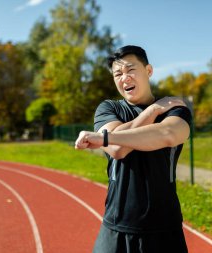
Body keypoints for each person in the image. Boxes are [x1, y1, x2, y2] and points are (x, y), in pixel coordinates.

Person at [75, 45, 191, 253]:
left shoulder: (173, 107)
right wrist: (152, 112)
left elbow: (168, 134)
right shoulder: (109, 108)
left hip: (164, 229)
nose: (124, 78)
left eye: (130, 70)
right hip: (116, 226)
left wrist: (103, 138)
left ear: (148, 71)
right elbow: (118, 149)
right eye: (117, 74)